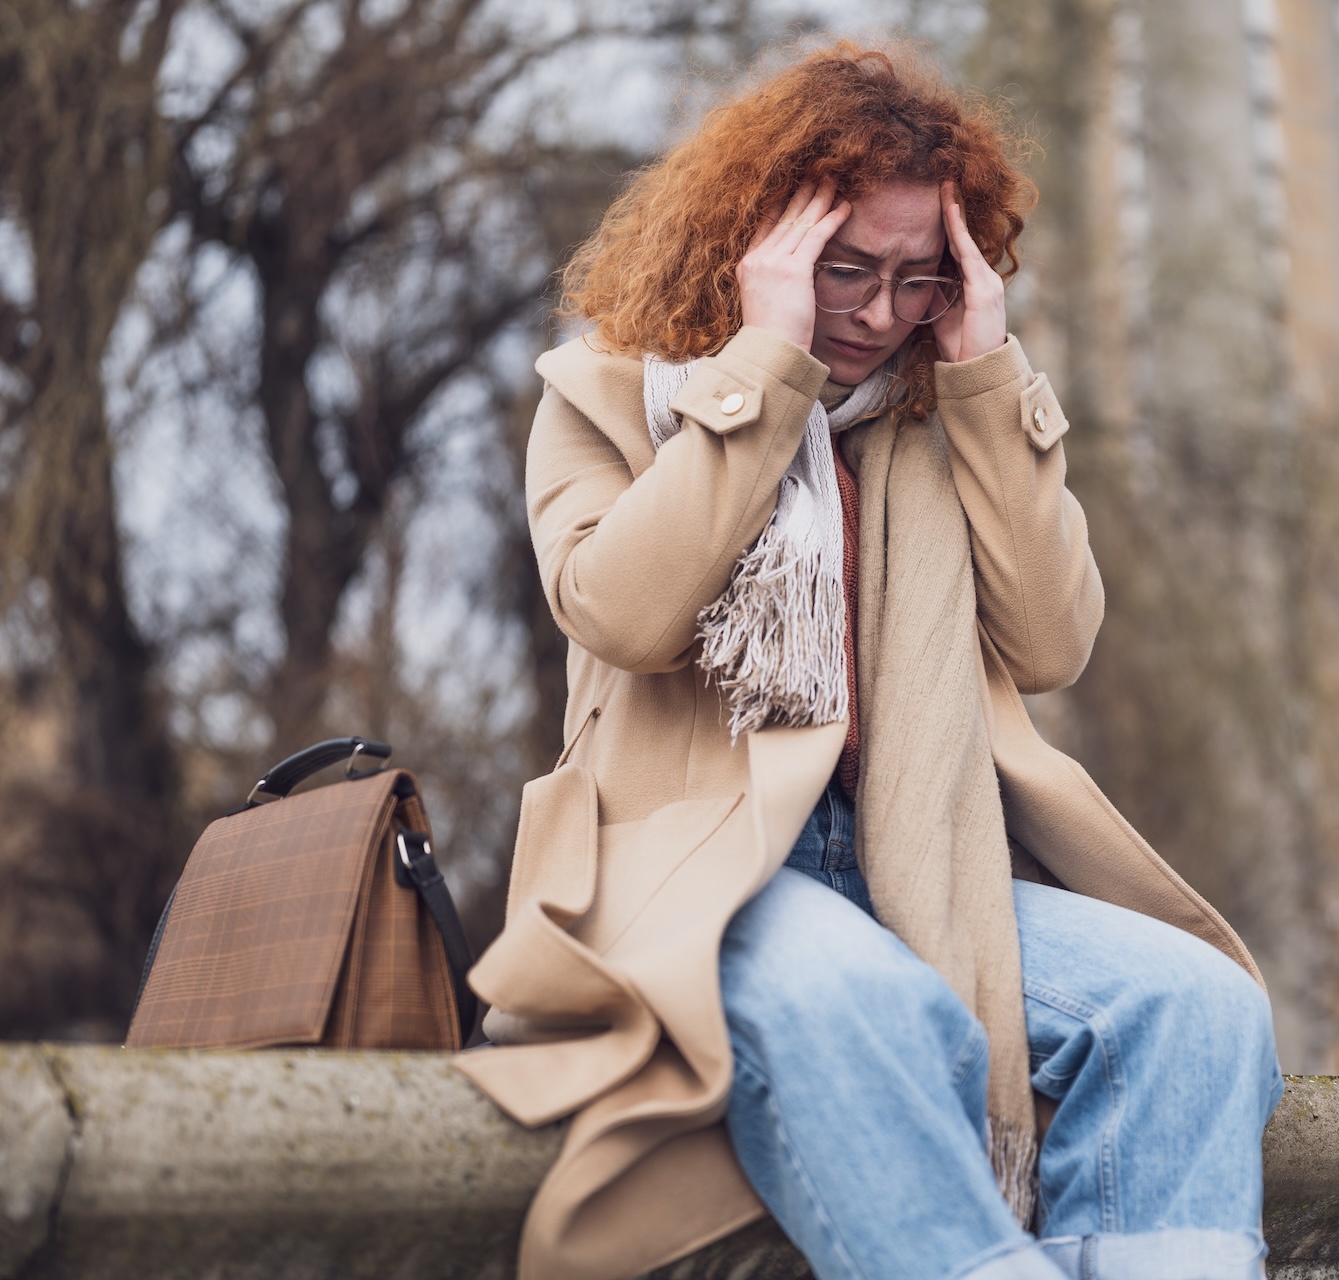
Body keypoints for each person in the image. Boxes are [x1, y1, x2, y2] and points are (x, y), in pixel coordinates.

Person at [457, 42, 1284, 1280]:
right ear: (760, 246)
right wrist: (768, 372)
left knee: (1197, 1005)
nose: (877, 311)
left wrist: (986, 376)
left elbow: (1055, 640)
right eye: (846, 269)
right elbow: (621, 614)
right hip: (699, 870)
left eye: (917, 276)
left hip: (926, 864)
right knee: (857, 1001)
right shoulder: (609, 395)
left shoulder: (935, 415)